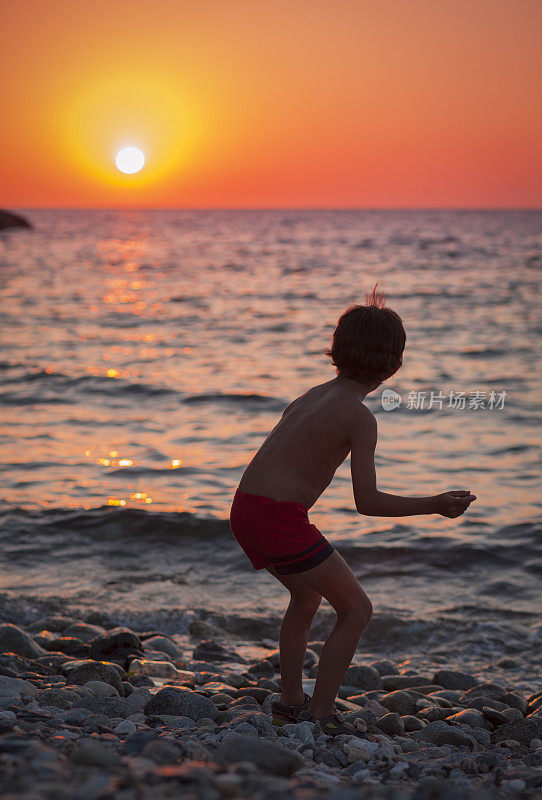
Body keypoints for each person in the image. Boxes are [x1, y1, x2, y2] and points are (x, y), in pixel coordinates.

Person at [228, 283, 477, 736]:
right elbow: (367, 503)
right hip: (278, 517)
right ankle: (321, 714)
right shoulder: (359, 417)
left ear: (337, 351)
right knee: (357, 610)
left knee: (305, 596)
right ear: (394, 364)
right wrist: (436, 505)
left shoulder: (313, 394)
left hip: (245, 509)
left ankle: (290, 702)